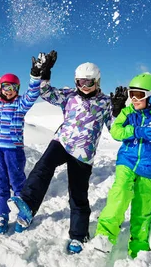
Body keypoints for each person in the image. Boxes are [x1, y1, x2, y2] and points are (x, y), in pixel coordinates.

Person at [8, 51, 128, 254]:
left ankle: (79, 235)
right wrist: (45, 72)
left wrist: (118, 110)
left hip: (83, 153)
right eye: (80, 82)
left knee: (78, 193)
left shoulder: (105, 103)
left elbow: (117, 132)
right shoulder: (69, 95)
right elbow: (44, 92)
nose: (83, 87)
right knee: (42, 167)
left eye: (88, 83)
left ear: (97, 82)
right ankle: (27, 205)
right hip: (62, 141)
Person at [93, 72, 151, 258]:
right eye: (131, 93)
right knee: (120, 194)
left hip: (150, 167)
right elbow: (116, 131)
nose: (133, 98)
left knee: (143, 205)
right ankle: (104, 236)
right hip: (127, 161)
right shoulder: (128, 113)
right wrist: (137, 131)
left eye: (139, 94)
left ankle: (139, 245)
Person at [0, 48, 44, 234]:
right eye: (5, 87)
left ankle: (24, 213)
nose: (9, 91)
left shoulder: (20, 105)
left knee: (18, 182)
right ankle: (2, 215)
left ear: (17, 90)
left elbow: (33, 93)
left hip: (13, 150)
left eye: (13, 88)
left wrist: (35, 75)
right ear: (0, 88)